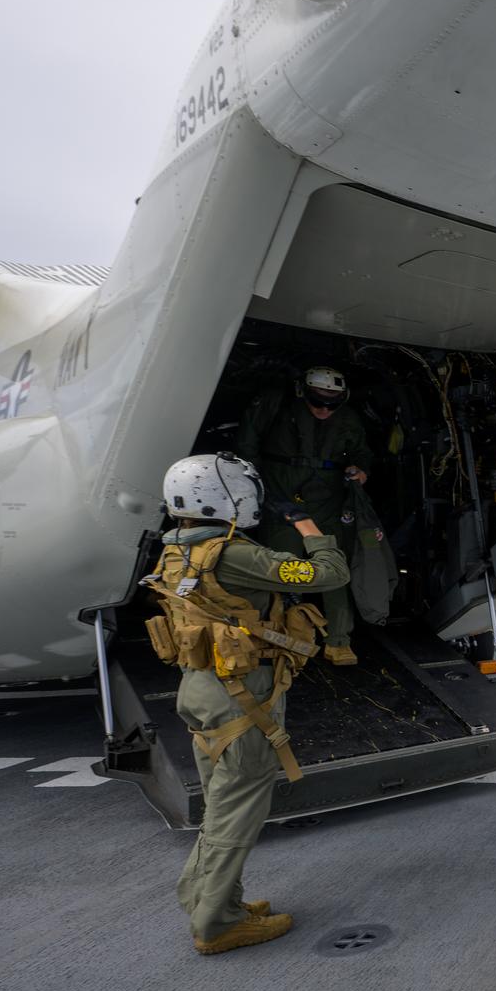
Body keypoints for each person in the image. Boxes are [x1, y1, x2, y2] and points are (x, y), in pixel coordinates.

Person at [150, 453, 350, 955]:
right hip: (240, 696)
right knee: (238, 808)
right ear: (227, 496)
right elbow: (330, 573)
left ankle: (213, 900)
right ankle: (217, 925)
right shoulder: (233, 555)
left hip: (200, 689)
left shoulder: (175, 552)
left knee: (221, 803)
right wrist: (306, 523)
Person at [234, 366, 370, 665]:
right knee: (281, 568)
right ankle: (277, 637)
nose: (324, 409)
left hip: (328, 501)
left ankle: (338, 640)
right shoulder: (277, 406)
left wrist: (360, 471)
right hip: (280, 499)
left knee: (336, 570)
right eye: (317, 400)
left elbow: (363, 453)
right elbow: (247, 444)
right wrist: (257, 486)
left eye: (332, 403)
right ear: (302, 392)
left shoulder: (348, 418)